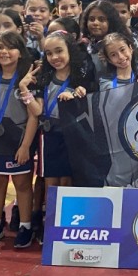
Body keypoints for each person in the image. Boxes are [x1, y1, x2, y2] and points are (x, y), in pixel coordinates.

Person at [21, 31, 91, 240]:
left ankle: (66, 226)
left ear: (70, 50)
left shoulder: (81, 78)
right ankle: (51, 228)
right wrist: (23, 88)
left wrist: (78, 94)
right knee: (50, 183)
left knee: (67, 181)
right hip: (49, 135)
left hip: (72, 135)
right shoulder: (44, 78)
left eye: (59, 51)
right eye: (49, 53)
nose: (54, 57)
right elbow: (37, 111)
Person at [0, 30, 38, 248]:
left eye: (10, 47)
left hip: (18, 140)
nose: (4, 52)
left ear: (20, 52)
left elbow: (34, 115)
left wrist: (26, 146)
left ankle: (25, 226)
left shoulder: (27, 81)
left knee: (22, 184)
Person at [82, 0, 134, 77]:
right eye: (91, 19)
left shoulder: (124, 42)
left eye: (101, 19)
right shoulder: (85, 45)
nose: (95, 23)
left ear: (111, 22)